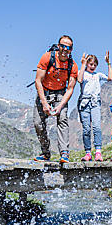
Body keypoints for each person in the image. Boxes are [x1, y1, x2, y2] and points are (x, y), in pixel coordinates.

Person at [33, 35, 78, 163]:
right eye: (62, 46)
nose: (65, 49)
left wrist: (60, 106)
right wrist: (44, 103)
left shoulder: (73, 66)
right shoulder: (47, 57)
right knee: (38, 123)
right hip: (45, 91)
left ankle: (64, 154)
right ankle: (46, 153)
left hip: (60, 94)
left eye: (68, 47)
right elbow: (38, 80)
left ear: (71, 49)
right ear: (58, 46)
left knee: (62, 119)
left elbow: (70, 89)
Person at [77, 52, 112, 161]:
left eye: (94, 65)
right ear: (87, 64)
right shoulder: (82, 73)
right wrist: (83, 64)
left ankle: (98, 152)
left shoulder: (98, 75)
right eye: (90, 64)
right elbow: (79, 79)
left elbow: (110, 78)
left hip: (95, 102)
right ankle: (88, 153)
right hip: (84, 102)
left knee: (97, 127)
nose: (92, 66)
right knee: (86, 129)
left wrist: (108, 64)